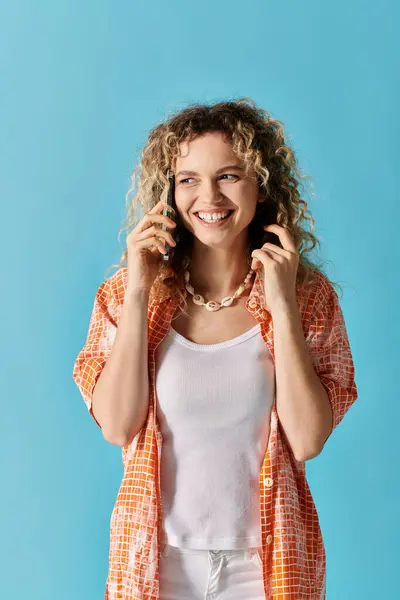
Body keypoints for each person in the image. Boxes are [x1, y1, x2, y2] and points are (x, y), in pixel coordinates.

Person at [72, 98, 358, 600]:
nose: (209, 196)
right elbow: (117, 425)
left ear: (261, 185)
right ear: (168, 192)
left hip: (265, 564)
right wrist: (139, 290)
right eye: (188, 179)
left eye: (229, 175)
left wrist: (282, 305)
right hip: (156, 562)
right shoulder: (124, 295)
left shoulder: (309, 297)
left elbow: (309, 438)